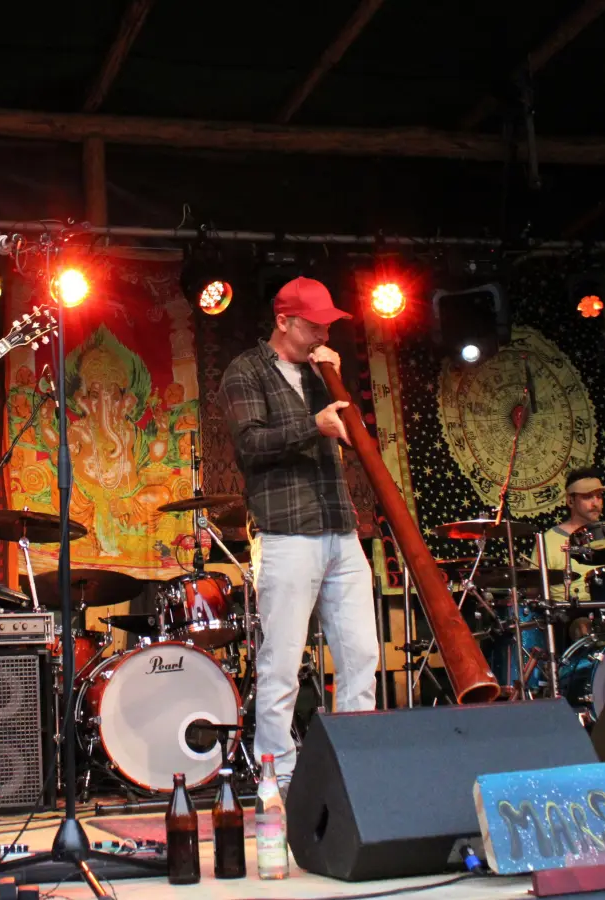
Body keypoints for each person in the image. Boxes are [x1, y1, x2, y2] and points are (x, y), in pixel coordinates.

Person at [220, 277, 379, 792]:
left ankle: (355, 764)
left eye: (327, 324)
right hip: (287, 533)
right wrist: (314, 425)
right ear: (284, 320)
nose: (322, 332)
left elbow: (352, 438)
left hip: (341, 527)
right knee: (281, 662)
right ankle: (278, 776)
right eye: (314, 324)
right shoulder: (245, 371)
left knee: (362, 655)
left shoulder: (320, 371)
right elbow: (251, 446)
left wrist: (332, 381)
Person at [538, 469, 605, 605]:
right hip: (569, 617)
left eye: (599, 496)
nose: (595, 503)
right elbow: (533, 586)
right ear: (570, 501)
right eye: (587, 497)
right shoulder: (548, 540)